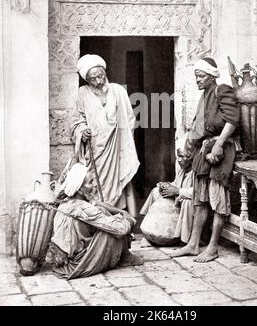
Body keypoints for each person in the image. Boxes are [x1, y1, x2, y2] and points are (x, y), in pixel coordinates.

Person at [171, 57, 240, 262]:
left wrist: (218, 144)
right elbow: (198, 129)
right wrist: (188, 153)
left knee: (218, 200)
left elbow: (232, 120)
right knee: (199, 200)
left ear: (211, 76)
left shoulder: (222, 90)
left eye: (201, 76)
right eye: (196, 77)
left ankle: (212, 247)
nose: (198, 80)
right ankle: (193, 244)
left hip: (221, 148)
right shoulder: (204, 97)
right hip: (205, 149)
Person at [71, 54, 139, 218]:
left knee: (124, 182)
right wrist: (83, 130)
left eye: (100, 76)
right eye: (92, 79)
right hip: (95, 150)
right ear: (86, 80)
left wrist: (123, 142)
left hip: (117, 147)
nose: (98, 82)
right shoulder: (82, 93)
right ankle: (102, 223)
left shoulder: (118, 91)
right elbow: (76, 120)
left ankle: (129, 224)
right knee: (94, 186)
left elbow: (129, 118)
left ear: (105, 72)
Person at [48, 164, 144, 280]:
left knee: (104, 211)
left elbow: (96, 203)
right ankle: (125, 257)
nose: (94, 185)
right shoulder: (82, 208)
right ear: (79, 188)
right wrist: (129, 220)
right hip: (76, 264)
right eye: (90, 182)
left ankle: (125, 256)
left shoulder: (67, 200)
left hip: (66, 261)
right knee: (113, 228)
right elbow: (120, 229)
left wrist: (120, 211)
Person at [139, 147, 194, 247]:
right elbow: (176, 184)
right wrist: (166, 186)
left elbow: (197, 192)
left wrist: (177, 191)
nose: (179, 160)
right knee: (156, 191)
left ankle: (184, 240)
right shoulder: (182, 171)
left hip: (190, 205)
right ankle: (148, 230)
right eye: (178, 157)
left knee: (187, 202)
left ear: (191, 157)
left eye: (182, 157)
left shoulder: (196, 173)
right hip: (179, 199)